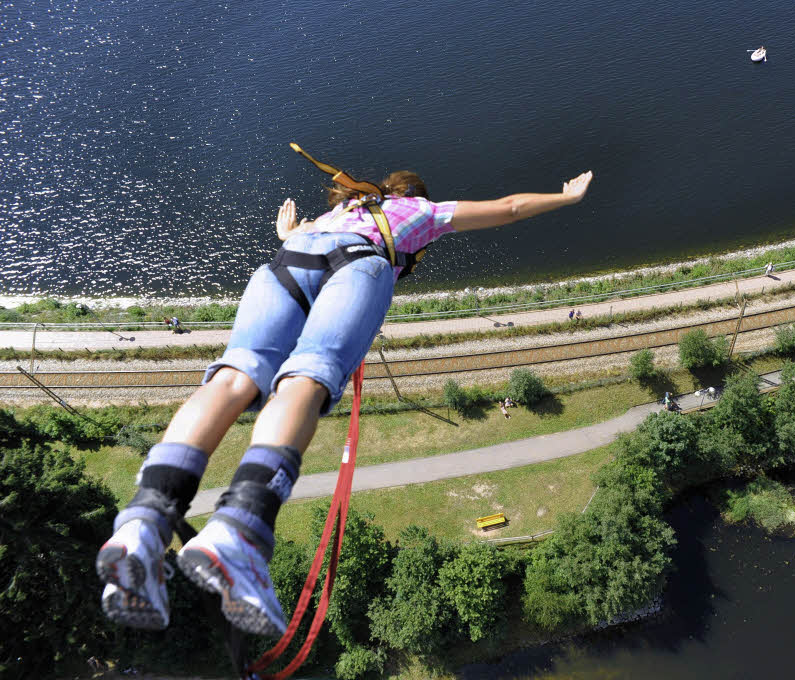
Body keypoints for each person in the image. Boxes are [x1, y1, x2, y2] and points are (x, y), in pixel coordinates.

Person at [96, 160, 593, 636]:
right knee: (307, 376)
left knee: (232, 375)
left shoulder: (338, 211)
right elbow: (507, 207)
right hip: (357, 267)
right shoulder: (419, 212)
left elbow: (304, 243)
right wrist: (567, 198)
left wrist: (286, 236)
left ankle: (143, 522)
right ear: (411, 194)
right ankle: (239, 528)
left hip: (285, 264)